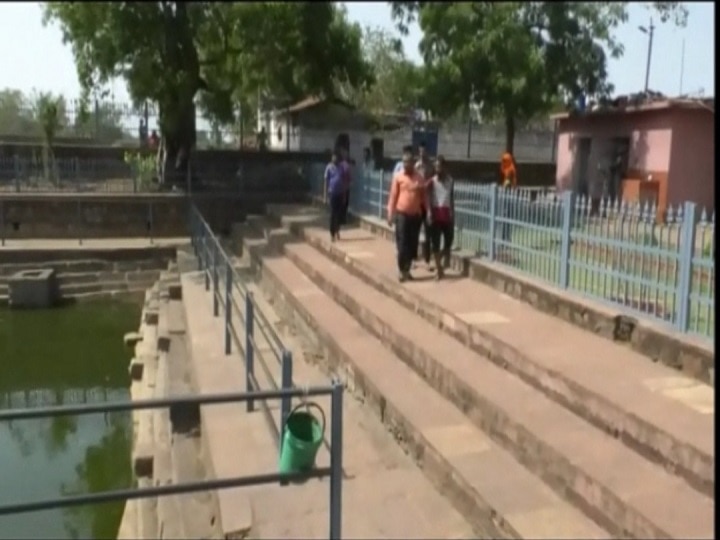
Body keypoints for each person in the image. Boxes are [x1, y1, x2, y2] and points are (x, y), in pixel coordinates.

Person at [387, 148, 425, 282]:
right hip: (401, 214)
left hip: (415, 216)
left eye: (408, 162)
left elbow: (423, 197)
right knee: (402, 243)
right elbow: (393, 196)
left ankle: (407, 270)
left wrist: (427, 212)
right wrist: (390, 214)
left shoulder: (419, 178)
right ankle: (401, 270)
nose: (405, 165)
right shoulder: (398, 177)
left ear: (413, 162)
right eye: (404, 162)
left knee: (412, 244)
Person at [425, 155, 455, 280]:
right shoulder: (431, 181)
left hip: (446, 213)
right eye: (436, 166)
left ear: (444, 167)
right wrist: (428, 212)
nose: (438, 169)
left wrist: (453, 211)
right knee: (435, 243)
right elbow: (426, 196)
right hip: (435, 214)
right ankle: (439, 269)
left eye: (440, 166)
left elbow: (452, 197)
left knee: (449, 241)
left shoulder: (450, 180)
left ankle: (439, 259)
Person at [415, 141, 435, 269]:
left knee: (428, 232)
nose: (422, 153)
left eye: (424, 151)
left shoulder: (431, 166)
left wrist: (428, 183)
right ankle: (413, 258)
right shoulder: (416, 166)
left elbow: (434, 180)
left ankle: (427, 259)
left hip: (427, 202)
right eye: (420, 151)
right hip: (417, 202)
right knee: (415, 231)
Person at [324, 151, 345, 242]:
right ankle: (332, 233)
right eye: (333, 157)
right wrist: (325, 196)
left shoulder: (341, 167)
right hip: (332, 193)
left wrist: (344, 194)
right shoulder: (329, 167)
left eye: (336, 157)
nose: (335, 159)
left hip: (340, 193)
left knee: (339, 214)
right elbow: (326, 181)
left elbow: (343, 181)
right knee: (333, 214)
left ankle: (337, 230)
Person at [499, 152, 517, 244]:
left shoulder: (511, 169)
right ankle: (504, 236)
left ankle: (506, 237)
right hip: (506, 195)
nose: (503, 162)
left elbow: (509, 182)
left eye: (505, 161)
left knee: (507, 215)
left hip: (509, 195)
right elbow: (502, 169)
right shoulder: (506, 168)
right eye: (503, 160)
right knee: (504, 215)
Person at [337, 147, 352, 228]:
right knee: (344, 203)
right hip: (345, 187)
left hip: (339, 188)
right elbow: (349, 178)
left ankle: (339, 219)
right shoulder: (346, 166)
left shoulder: (338, 165)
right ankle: (342, 219)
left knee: (341, 203)